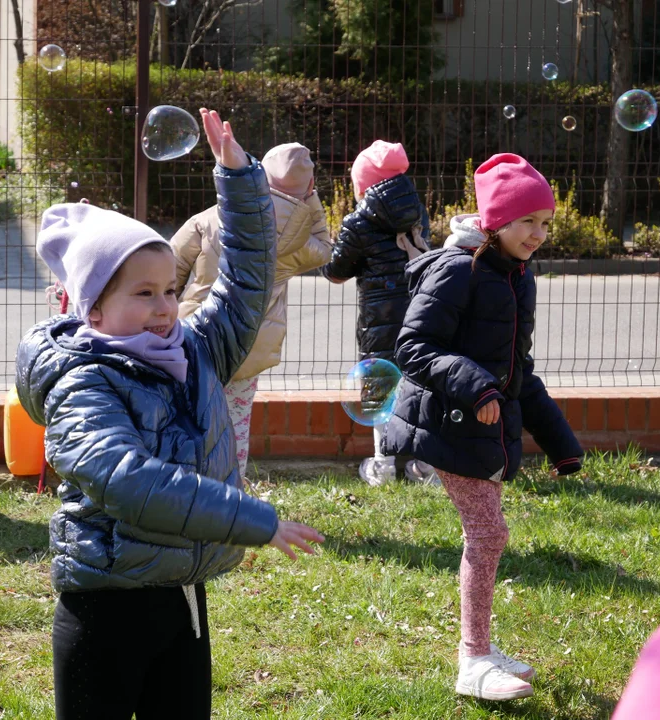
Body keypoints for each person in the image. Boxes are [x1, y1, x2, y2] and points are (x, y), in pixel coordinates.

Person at [15, 110, 324, 720]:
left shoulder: (194, 350)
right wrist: (248, 518)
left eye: (167, 289)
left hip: (184, 595)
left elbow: (246, 285)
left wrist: (239, 181)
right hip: (106, 608)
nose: (164, 307)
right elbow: (130, 480)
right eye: (142, 293)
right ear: (93, 310)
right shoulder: (83, 383)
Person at [383, 153, 584, 701]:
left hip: (480, 426)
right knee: (489, 534)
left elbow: (519, 372)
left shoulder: (518, 274)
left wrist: (561, 445)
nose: (539, 234)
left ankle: (482, 649)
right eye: (528, 222)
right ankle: (472, 661)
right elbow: (412, 346)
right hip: (449, 423)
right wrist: (475, 386)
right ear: (495, 221)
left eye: (547, 223)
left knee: (488, 536)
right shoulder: (457, 269)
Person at [171, 141, 332, 478]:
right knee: (234, 427)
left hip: (194, 339)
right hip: (247, 351)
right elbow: (325, 246)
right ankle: (231, 495)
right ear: (310, 187)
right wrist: (308, 199)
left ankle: (183, 492)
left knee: (188, 422)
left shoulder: (209, 219)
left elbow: (169, 268)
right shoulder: (299, 243)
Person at [319, 140, 435, 486]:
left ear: (363, 184)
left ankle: (383, 466)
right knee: (420, 385)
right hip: (421, 311)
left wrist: (326, 248)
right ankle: (424, 466)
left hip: (379, 318)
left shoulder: (359, 221)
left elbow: (337, 271)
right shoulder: (416, 212)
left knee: (380, 387)